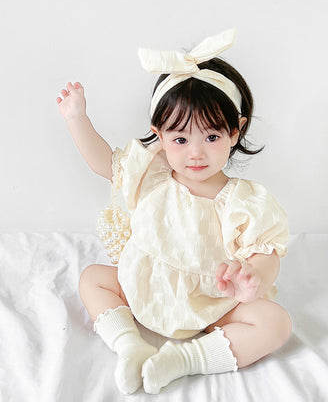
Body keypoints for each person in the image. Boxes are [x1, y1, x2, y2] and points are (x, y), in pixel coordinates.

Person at [56, 29, 291, 395]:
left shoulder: (244, 201)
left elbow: (268, 251)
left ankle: (184, 360)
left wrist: (252, 274)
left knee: (275, 323)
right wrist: (77, 118)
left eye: (211, 137)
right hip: (144, 288)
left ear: (235, 131)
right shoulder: (151, 174)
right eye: (180, 139)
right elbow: (104, 162)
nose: (195, 153)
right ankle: (129, 346)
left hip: (212, 303)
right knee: (92, 278)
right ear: (160, 135)